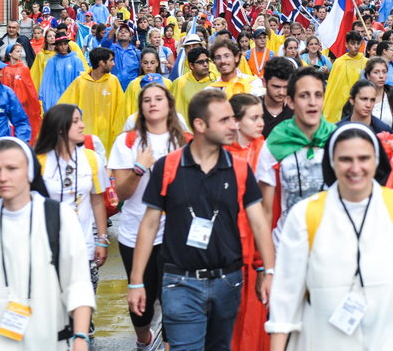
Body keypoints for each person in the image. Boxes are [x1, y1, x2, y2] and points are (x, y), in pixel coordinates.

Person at [266, 124, 393, 351]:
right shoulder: (305, 214)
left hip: (392, 341)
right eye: (345, 159)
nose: (355, 168)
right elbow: (285, 300)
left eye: (364, 158)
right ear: (332, 162)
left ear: (376, 160)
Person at [128, 89, 275, 350]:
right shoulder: (169, 166)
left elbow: (259, 221)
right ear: (200, 125)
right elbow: (149, 224)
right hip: (180, 281)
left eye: (233, 118)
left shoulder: (239, 168)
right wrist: (137, 281)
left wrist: (267, 270)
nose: (233, 125)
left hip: (228, 280)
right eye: (224, 120)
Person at [0, 136, 96, 350]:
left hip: (48, 340)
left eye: (12, 168)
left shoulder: (59, 217)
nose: (3, 177)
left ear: (29, 171)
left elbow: (78, 284)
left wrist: (80, 338)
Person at [109, 81, 187, 350]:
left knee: (174, 301)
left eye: (159, 99)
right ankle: (144, 338)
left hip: (175, 234)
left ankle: (169, 344)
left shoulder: (184, 141)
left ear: (169, 105)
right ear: (141, 108)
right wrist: (139, 168)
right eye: (147, 100)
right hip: (135, 232)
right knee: (141, 306)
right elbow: (121, 193)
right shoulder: (127, 141)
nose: (153, 103)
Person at [34, 105, 109, 331]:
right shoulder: (38, 161)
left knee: (82, 302)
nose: (82, 126)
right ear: (59, 127)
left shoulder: (91, 158)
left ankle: (81, 334)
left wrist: (102, 239)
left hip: (83, 243)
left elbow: (97, 200)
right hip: (48, 244)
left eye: (81, 120)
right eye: (75, 121)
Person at [257, 67, 335, 244]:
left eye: (318, 95)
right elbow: (266, 211)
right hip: (287, 246)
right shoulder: (275, 143)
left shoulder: (337, 139)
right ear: (290, 101)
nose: (312, 102)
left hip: (330, 245)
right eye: (304, 95)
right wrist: (266, 265)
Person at [225, 94, 270, 351]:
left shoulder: (265, 149)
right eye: (254, 118)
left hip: (258, 240)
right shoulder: (221, 153)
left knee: (256, 310)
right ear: (236, 122)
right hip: (229, 239)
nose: (260, 122)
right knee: (230, 311)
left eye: (261, 116)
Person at [57, 47, 124, 151]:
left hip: (107, 136)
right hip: (84, 134)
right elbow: (64, 106)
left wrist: (119, 132)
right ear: (102, 62)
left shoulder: (113, 81)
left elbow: (121, 109)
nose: (113, 63)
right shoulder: (80, 82)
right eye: (111, 60)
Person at [323, 31, 367, 123]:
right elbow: (332, 88)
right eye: (352, 43)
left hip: (360, 103)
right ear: (346, 44)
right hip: (342, 105)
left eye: (358, 43)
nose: (355, 46)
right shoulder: (339, 62)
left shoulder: (366, 62)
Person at [1, 43, 42, 139]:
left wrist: (34, 103)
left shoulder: (24, 69)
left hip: (22, 105)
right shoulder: (3, 69)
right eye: (17, 51)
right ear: (10, 53)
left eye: (21, 51)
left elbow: (29, 88)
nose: (20, 54)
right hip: (6, 105)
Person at [39, 35, 87, 111]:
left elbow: (81, 81)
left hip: (72, 96)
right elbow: (47, 82)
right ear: (57, 46)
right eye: (60, 45)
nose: (63, 47)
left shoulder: (76, 60)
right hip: (56, 97)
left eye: (65, 44)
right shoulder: (52, 61)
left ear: (68, 45)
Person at [124, 48, 174, 121]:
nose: (149, 66)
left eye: (152, 62)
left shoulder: (167, 83)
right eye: (145, 63)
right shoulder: (133, 84)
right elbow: (127, 109)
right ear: (141, 63)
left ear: (157, 63)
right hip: (139, 124)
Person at [172, 46, 216, 121]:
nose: (205, 64)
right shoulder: (180, 82)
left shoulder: (216, 81)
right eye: (201, 62)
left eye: (206, 61)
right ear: (191, 65)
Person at [101, 22, 141, 90]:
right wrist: (115, 28)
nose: (123, 33)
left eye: (126, 32)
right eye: (120, 31)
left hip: (132, 89)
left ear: (130, 37)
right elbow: (104, 43)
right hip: (113, 87)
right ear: (116, 36)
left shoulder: (137, 53)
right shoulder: (111, 49)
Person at [261, 57, 295, 138]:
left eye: (286, 87)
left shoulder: (296, 112)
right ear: (264, 82)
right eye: (276, 87)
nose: (282, 92)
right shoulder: (251, 109)